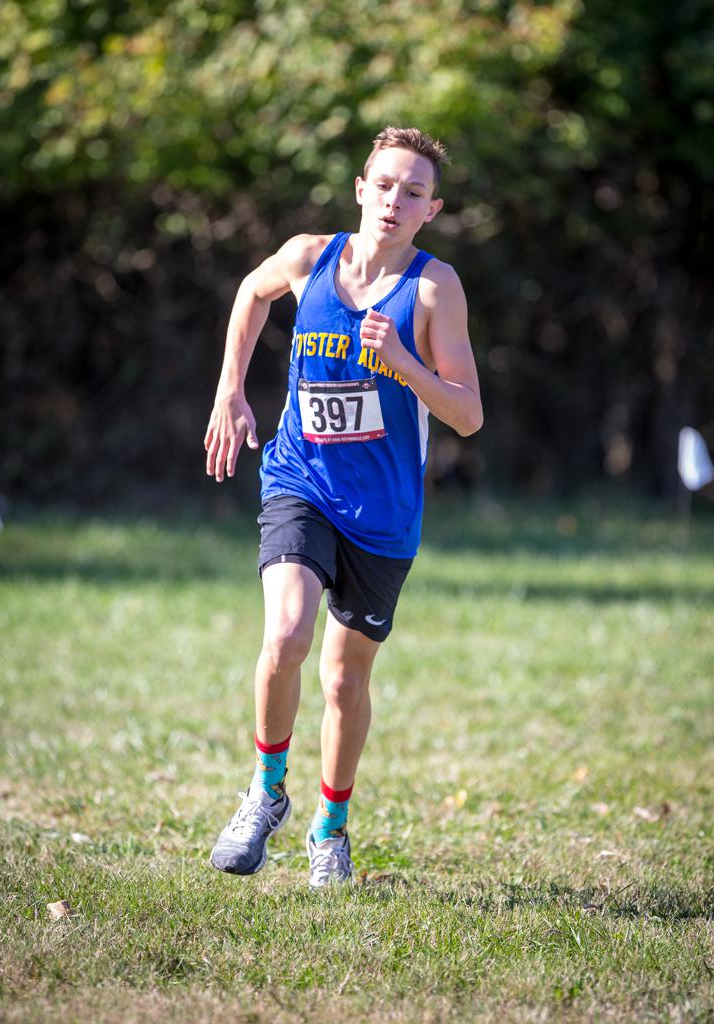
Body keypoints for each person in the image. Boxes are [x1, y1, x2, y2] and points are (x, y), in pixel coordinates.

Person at [204, 126, 483, 887]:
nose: (396, 200)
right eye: (385, 184)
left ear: (432, 209)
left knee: (343, 680)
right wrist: (231, 390)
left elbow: (466, 413)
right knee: (286, 633)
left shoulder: (433, 289)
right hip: (300, 479)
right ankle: (264, 793)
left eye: (414, 191)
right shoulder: (308, 258)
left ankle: (330, 827)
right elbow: (250, 292)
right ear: (361, 189)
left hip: (384, 512)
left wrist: (403, 363)